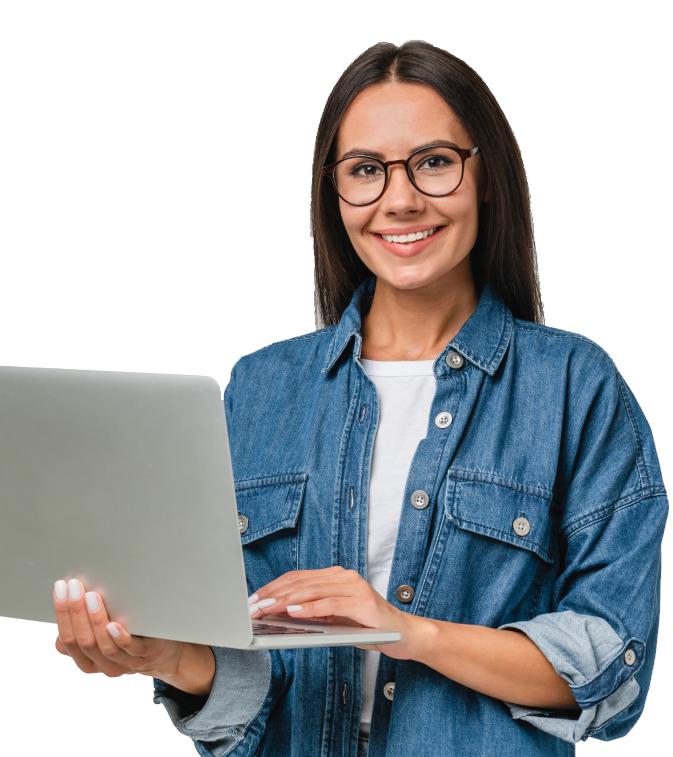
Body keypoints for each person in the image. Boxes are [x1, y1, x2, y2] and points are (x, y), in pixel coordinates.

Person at [52, 40, 668, 757]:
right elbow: (252, 668)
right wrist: (165, 658)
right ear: (333, 191)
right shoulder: (258, 388)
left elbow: (608, 663)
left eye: (433, 162)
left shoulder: (572, 384)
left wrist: (409, 631)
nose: (399, 199)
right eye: (365, 171)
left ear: (485, 173)